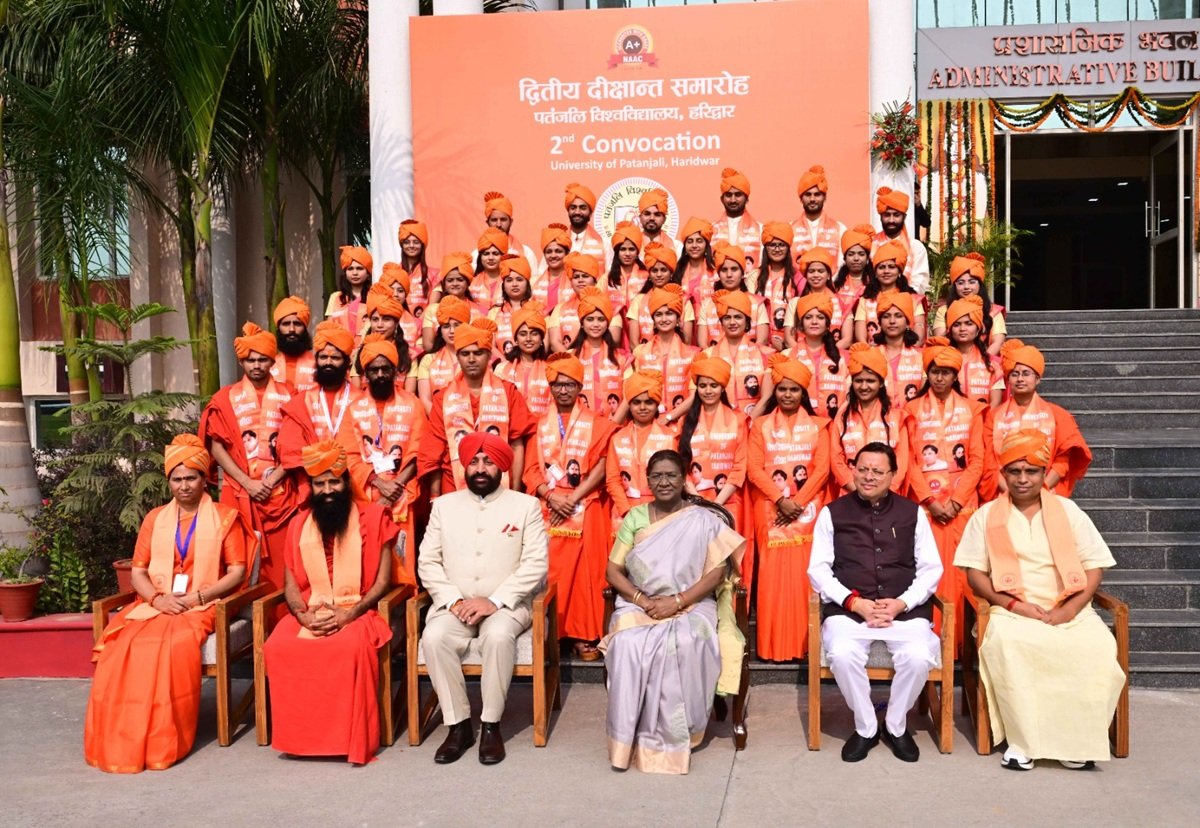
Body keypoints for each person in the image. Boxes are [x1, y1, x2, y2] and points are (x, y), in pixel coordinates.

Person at [954, 430, 1125, 771]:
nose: (1023, 479)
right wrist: (1014, 605)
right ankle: (1023, 743)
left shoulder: (1068, 511)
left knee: (1098, 646)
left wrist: (1069, 609)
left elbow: (1093, 567)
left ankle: (1076, 742)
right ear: (1003, 474)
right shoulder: (986, 515)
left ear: (1044, 473)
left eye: (1031, 471)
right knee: (1011, 645)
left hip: (1069, 609)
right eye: (1015, 471)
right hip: (1012, 610)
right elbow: (975, 574)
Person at [85, 435, 253, 773]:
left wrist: (198, 597)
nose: (184, 486)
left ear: (205, 479)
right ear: (169, 482)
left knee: (171, 644)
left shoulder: (225, 517)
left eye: (191, 477)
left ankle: (159, 739)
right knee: (120, 646)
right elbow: (138, 573)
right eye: (177, 479)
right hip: (157, 602)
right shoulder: (154, 518)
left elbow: (236, 573)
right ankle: (121, 739)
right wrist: (157, 599)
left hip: (204, 603)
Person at [603, 449, 746, 774]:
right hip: (640, 602)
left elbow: (717, 574)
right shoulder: (635, 517)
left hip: (692, 603)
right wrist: (643, 600)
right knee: (626, 644)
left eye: (671, 475)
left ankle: (679, 733)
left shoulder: (703, 519)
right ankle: (627, 739)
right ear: (648, 480)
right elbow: (613, 571)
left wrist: (677, 601)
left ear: (684, 480)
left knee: (684, 642)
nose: (664, 482)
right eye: (657, 476)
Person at [418, 432, 549, 765]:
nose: (480, 468)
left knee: (498, 635)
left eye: (488, 462)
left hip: (507, 605)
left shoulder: (525, 506)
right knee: (434, 637)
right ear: (464, 466)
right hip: (456, 605)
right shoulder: (443, 506)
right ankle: (458, 726)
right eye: (474, 461)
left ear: (501, 466)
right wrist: (452, 601)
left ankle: (491, 725)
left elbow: (536, 563)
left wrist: (495, 600)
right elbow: (427, 561)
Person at [262, 441, 396, 765]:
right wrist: (303, 616)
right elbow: (290, 586)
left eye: (333, 482)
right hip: (312, 609)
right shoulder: (299, 523)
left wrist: (350, 614)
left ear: (346, 482)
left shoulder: (374, 517)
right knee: (279, 645)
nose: (327, 491)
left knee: (349, 646)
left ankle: (346, 739)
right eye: (319, 484)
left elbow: (383, 582)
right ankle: (301, 739)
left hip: (359, 609)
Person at [808, 442, 943, 763]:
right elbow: (818, 570)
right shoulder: (832, 513)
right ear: (853, 470)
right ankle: (867, 727)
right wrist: (853, 602)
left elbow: (931, 568)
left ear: (893, 475)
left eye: (878, 471)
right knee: (842, 654)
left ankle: (895, 725)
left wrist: (902, 603)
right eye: (863, 469)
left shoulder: (912, 513)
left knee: (918, 657)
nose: (869, 477)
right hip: (850, 612)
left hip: (903, 612)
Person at [524, 353, 617, 661]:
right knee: (553, 571)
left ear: (580, 387)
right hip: (550, 507)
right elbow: (530, 471)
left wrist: (574, 497)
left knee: (587, 572)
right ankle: (555, 630)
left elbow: (604, 464)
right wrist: (551, 496)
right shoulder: (539, 426)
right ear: (550, 388)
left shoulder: (599, 424)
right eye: (557, 385)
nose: (563, 390)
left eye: (569, 384)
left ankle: (583, 632)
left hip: (586, 504)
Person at [200, 322, 301, 588]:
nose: (256, 365)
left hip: (280, 493)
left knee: (282, 563)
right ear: (242, 362)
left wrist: (271, 481)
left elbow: (297, 443)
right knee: (237, 559)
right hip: (239, 491)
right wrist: (248, 483)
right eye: (250, 360)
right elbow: (216, 446)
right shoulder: (225, 397)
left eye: (262, 360)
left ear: (272, 361)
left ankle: (281, 610)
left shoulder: (290, 394)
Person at [902, 337, 987, 652]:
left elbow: (977, 460)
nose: (940, 378)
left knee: (962, 572)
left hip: (962, 507)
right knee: (925, 569)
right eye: (935, 371)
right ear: (928, 373)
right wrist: (929, 500)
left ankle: (961, 644)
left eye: (946, 372)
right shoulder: (910, 410)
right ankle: (927, 641)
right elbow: (909, 461)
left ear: (955, 375)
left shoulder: (973, 409)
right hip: (926, 507)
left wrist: (956, 500)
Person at [747, 355, 831, 660]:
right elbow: (754, 468)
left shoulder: (820, 426)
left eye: (794, 389)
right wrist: (780, 499)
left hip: (808, 511)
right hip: (770, 510)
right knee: (772, 578)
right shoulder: (760, 426)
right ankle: (772, 647)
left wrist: (798, 501)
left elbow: (822, 469)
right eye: (782, 389)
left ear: (803, 392)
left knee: (806, 576)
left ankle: (806, 646)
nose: (787, 395)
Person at [417, 318, 535, 495]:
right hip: (454, 487)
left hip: (501, 488)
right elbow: (434, 451)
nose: (471, 359)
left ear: (489, 356)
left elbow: (517, 445)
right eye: (465, 354)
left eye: (478, 353)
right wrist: (435, 496)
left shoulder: (508, 392)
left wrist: (516, 491)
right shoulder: (443, 398)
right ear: (458, 357)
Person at [348, 334, 428, 585]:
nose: (380, 374)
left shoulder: (413, 404)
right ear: (365, 374)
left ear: (395, 371)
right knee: (368, 566)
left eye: (386, 369)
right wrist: (379, 484)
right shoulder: (353, 408)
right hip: (366, 496)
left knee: (401, 565)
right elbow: (349, 456)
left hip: (401, 493)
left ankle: (403, 604)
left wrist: (396, 486)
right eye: (374, 370)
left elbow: (419, 451)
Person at [984, 339, 1091, 499]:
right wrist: (1011, 493)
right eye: (1014, 374)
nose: (1020, 379)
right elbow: (989, 463)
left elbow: (1062, 462)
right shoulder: (993, 417)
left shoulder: (1058, 415)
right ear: (1008, 379)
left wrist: (1040, 490)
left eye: (1026, 374)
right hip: (1004, 494)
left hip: (1046, 492)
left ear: (1037, 378)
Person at [277, 321, 365, 487]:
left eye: (335, 358)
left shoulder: (362, 400)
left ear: (347, 362)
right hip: (312, 481)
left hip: (354, 481)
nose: (328, 362)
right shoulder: (300, 402)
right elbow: (290, 448)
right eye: (323, 357)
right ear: (316, 360)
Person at [677, 354, 748, 525]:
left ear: (722, 388)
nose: (708, 391)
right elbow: (679, 465)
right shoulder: (684, 421)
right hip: (693, 504)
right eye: (703, 386)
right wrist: (699, 501)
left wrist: (716, 506)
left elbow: (740, 467)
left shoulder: (739, 419)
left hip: (729, 501)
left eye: (713, 385)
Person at [831, 343, 909, 497]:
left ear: (880, 384)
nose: (864, 386)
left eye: (870, 381)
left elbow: (901, 461)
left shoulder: (896, 416)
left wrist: (882, 491)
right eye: (858, 381)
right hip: (851, 495)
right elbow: (836, 459)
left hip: (888, 496)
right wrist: (858, 491)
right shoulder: (842, 416)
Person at [606, 370, 678, 531]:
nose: (643, 407)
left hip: (660, 517)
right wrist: (628, 513)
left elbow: (674, 480)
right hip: (624, 517)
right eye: (637, 402)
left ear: (657, 404)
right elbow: (612, 480)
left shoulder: (670, 437)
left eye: (649, 402)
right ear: (629, 405)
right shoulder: (617, 438)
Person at [701, 289, 773, 418]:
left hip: (753, 423)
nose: (732, 322)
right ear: (721, 322)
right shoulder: (706, 356)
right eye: (727, 318)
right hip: (719, 424)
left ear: (747, 321)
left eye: (738, 317)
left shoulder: (767, 355)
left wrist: (746, 423)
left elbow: (767, 397)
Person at [627, 284, 698, 411]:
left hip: (682, 419)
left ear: (678, 319)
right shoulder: (640, 353)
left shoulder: (693, 354)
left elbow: (694, 396)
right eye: (659, 314)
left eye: (669, 314)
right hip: (649, 418)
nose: (664, 319)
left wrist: (669, 417)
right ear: (653, 320)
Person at [787, 292, 851, 418]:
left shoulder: (846, 357)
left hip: (837, 423)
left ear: (827, 324)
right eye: (808, 317)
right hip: (800, 424)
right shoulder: (788, 355)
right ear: (801, 323)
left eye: (820, 317)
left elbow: (850, 398)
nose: (814, 322)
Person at [569, 286, 627, 420]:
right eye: (590, 319)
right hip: (579, 425)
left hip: (614, 425)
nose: (596, 324)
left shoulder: (623, 358)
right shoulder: (569, 356)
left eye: (601, 319)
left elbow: (628, 396)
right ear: (582, 323)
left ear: (607, 323)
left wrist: (612, 425)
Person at [851, 242, 926, 345]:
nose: (886, 271)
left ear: (899, 271)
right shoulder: (866, 300)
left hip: (907, 353)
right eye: (881, 267)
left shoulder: (913, 299)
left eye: (891, 267)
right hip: (873, 353)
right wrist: (872, 353)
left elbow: (919, 337)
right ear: (875, 272)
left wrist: (903, 353)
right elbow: (861, 338)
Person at [931, 252, 1006, 355]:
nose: (966, 287)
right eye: (961, 283)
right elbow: (940, 340)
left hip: (986, 360)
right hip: (952, 360)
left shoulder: (993, 311)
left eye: (972, 282)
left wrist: (982, 362)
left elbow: (997, 342)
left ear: (980, 285)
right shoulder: (944, 310)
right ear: (954, 286)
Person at [696, 244, 770, 348]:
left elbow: (762, 341)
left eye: (734, 269)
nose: (729, 275)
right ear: (719, 274)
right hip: (714, 357)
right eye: (724, 270)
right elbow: (702, 344)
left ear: (742, 273)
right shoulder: (707, 304)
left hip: (750, 357)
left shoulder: (757, 303)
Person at [494, 300, 553, 420]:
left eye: (534, 334)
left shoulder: (551, 369)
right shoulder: (501, 369)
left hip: (543, 428)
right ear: (515, 339)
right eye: (523, 334)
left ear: (541, 338)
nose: (528, 339)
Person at [625, 242, 693, 346]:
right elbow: (634, 343)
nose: (659, 274)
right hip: (644, 355)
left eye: (663, 270)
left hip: (676, 355)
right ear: (649, 274)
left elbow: (687, 342)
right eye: (655, 270)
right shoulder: (638, 300)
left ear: (671, 273)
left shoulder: (683, 300)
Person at [871, 187, 931, 297]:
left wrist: (899, 300)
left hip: (907, 302)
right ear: (881, 217)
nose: (891, 220)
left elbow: (919, 283)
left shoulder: (915, 247)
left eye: (896, 215)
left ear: (904, 217)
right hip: (873, 301)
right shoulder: (870, 245)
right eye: (887, 215)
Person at [416, 292, 470, 414]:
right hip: (437, 420)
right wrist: (441, 421)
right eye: (446, 326)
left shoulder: (476, 357)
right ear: (440, 331)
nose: (452, 331)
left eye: (457, 325)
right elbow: (425, 399)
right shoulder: (429, 360)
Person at [947, 294, 1004, 406]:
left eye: (969, 324)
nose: (962, 329)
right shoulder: (941, 360)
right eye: (957, 325)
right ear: (950, 329)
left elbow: (995, 403)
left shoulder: (993, 364)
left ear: (978, 329)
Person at [424, 252, 486, 354]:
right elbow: (428, 345)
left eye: (460, 280)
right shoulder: (432, 309)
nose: (455, 283)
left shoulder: (480, 311)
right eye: (450, 280)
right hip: (441, 360)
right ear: (444, 284)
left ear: (468, 283)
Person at [752, 222, 800, 348]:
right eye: (772, 245)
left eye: (781, 245)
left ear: (788, 248)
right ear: (765, 248)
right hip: (758, 346)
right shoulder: (753, 277)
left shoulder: (798, 277)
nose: (777, 249)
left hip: (789, 345)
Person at [872, 290, 925, 402]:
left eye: (898, 316)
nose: (892, 321)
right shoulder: (870, 355)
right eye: (886, 316)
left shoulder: (922, 356)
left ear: (908, 322)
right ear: (880, 323)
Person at [790, 165, 847, 267]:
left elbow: (844, 264)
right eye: (808, 194)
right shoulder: (790, 229)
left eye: (817, 194)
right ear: (801, 199)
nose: (812, 199)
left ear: (824, 198)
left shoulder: (840, 229)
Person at [711, 167, 763, 268]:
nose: (733, 200)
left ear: (747, 199)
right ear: (722, 199)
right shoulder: (711, 231)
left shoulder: (761, 230)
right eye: (728, 195)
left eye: (738, 195)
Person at [488, 254, 536, 361]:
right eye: (509, 280)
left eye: (519, 279)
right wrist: (504, 364)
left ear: (527, 284)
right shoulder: (494, 313)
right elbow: (489, 344)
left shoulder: (536, 309)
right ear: (503, 286)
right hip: (501, 367)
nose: (514, 284)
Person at [477, 190, 538, 275]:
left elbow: (533, 281)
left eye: (503, 219)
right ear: (487, 222)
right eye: (494, 220)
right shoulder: (477, 254)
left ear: (511, 222)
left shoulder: (527, 253)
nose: (498, 224)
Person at [270, 295, 316, 393]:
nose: (291, 329)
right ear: (278, 329)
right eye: (286, 324)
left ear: (305, 329)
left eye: (297, 324)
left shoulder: (317, 365)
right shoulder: (269, 366)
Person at [325, 246, 373, 340]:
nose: (355, 273)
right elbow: (329, 327)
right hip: (340, 345)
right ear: (345, 273)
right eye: (350, 269)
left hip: (367, 346)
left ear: (368, 273)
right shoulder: (335, 297)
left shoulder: (375, 297)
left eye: (359, 268)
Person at [397, 219, 437, 319]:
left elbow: (432, 307)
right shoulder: (392, 273)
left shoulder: (435, 274)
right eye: (407, 242)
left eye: (416, 242)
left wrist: (417, 324)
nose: (411, 246)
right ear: (402, 245)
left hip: (424, 324)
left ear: (422, 245)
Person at [674, 216, 716, 308]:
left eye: (699, 241)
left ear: (706, 245)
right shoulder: (676, 273)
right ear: (685, 246)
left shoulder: (715, 273)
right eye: (690, 241)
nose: (694, 245)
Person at [607, 221, 648, 309]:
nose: (627, 254)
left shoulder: (647, 277)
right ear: (617, 252)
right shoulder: (607, 278)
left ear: (637, 252)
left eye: (631, 249)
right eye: (623, 249)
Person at [564, 182, 606, 261]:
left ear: (590, 213)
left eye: (582, 208)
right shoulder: (558, 241)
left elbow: (609, 268)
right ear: (568, 211)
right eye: (573, 208)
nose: (577, 212)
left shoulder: (604, 243)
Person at [636, 187, 683, 257]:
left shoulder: (677, 247)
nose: (652, 218)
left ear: (664, 219)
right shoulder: (630, 246)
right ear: (640, 217)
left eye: (657, 215)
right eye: (647, 214)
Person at [535, 223, 571, 308]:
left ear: (566, 253)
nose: (553, 255)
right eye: (549, 252)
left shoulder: (574, 281)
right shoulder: (534, 283)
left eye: (558, 251)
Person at [471, 227, 508, 308]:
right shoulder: (470, 282)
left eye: (495, 254)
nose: (491, 258)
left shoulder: (511, 280)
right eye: (486, 254)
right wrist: (486, 312)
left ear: (503, 256)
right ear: (480, 257)